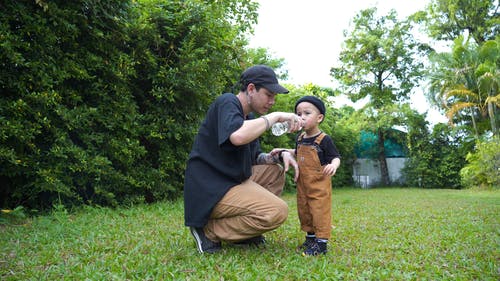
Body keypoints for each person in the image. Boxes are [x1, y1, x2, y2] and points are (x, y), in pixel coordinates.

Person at [184, 65, 304, 254]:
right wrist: (275, 117)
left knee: (274, 171)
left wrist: (280, 155)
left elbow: (255, 158)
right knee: (276, 212)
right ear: (250, 89)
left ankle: (244, 234)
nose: (272, 101)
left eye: (274, 97)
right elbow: (237, 136)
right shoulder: (227, 102)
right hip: (210, 188)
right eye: (268, 94)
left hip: (231, 181)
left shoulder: (250, 117)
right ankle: (208, 230)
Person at [272, 95, 341, 256]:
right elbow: (298, 153)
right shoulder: (300, 137)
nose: (301, 117)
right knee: (305, 211)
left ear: (319, 118)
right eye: (299, 113)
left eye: (307, 113)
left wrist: (333, 165)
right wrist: (283, 150)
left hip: (319, 185)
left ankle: (321, 244)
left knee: (319, 211)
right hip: (303, 184)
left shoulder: (324, 139)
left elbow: (335, 156)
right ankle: (310, 238)